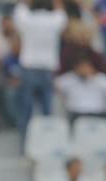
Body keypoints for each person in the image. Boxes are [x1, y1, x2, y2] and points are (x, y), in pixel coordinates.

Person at [13, 0, 68, 136]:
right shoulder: (54, 20)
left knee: (26, 110)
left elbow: (19, 10)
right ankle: (47, 142)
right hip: (48, 68)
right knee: (47, 110)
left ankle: (25, 144)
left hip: (29, 67)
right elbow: (61, 11)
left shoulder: (28, 19)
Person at [53, 57, 106, 124]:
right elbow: (55, 86)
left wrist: (94, 78)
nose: (83, 69)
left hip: (98, 114)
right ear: (76, 68)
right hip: (76, 114)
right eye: (81, 67)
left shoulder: (100, 79)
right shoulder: (69, 78)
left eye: (86, 67)